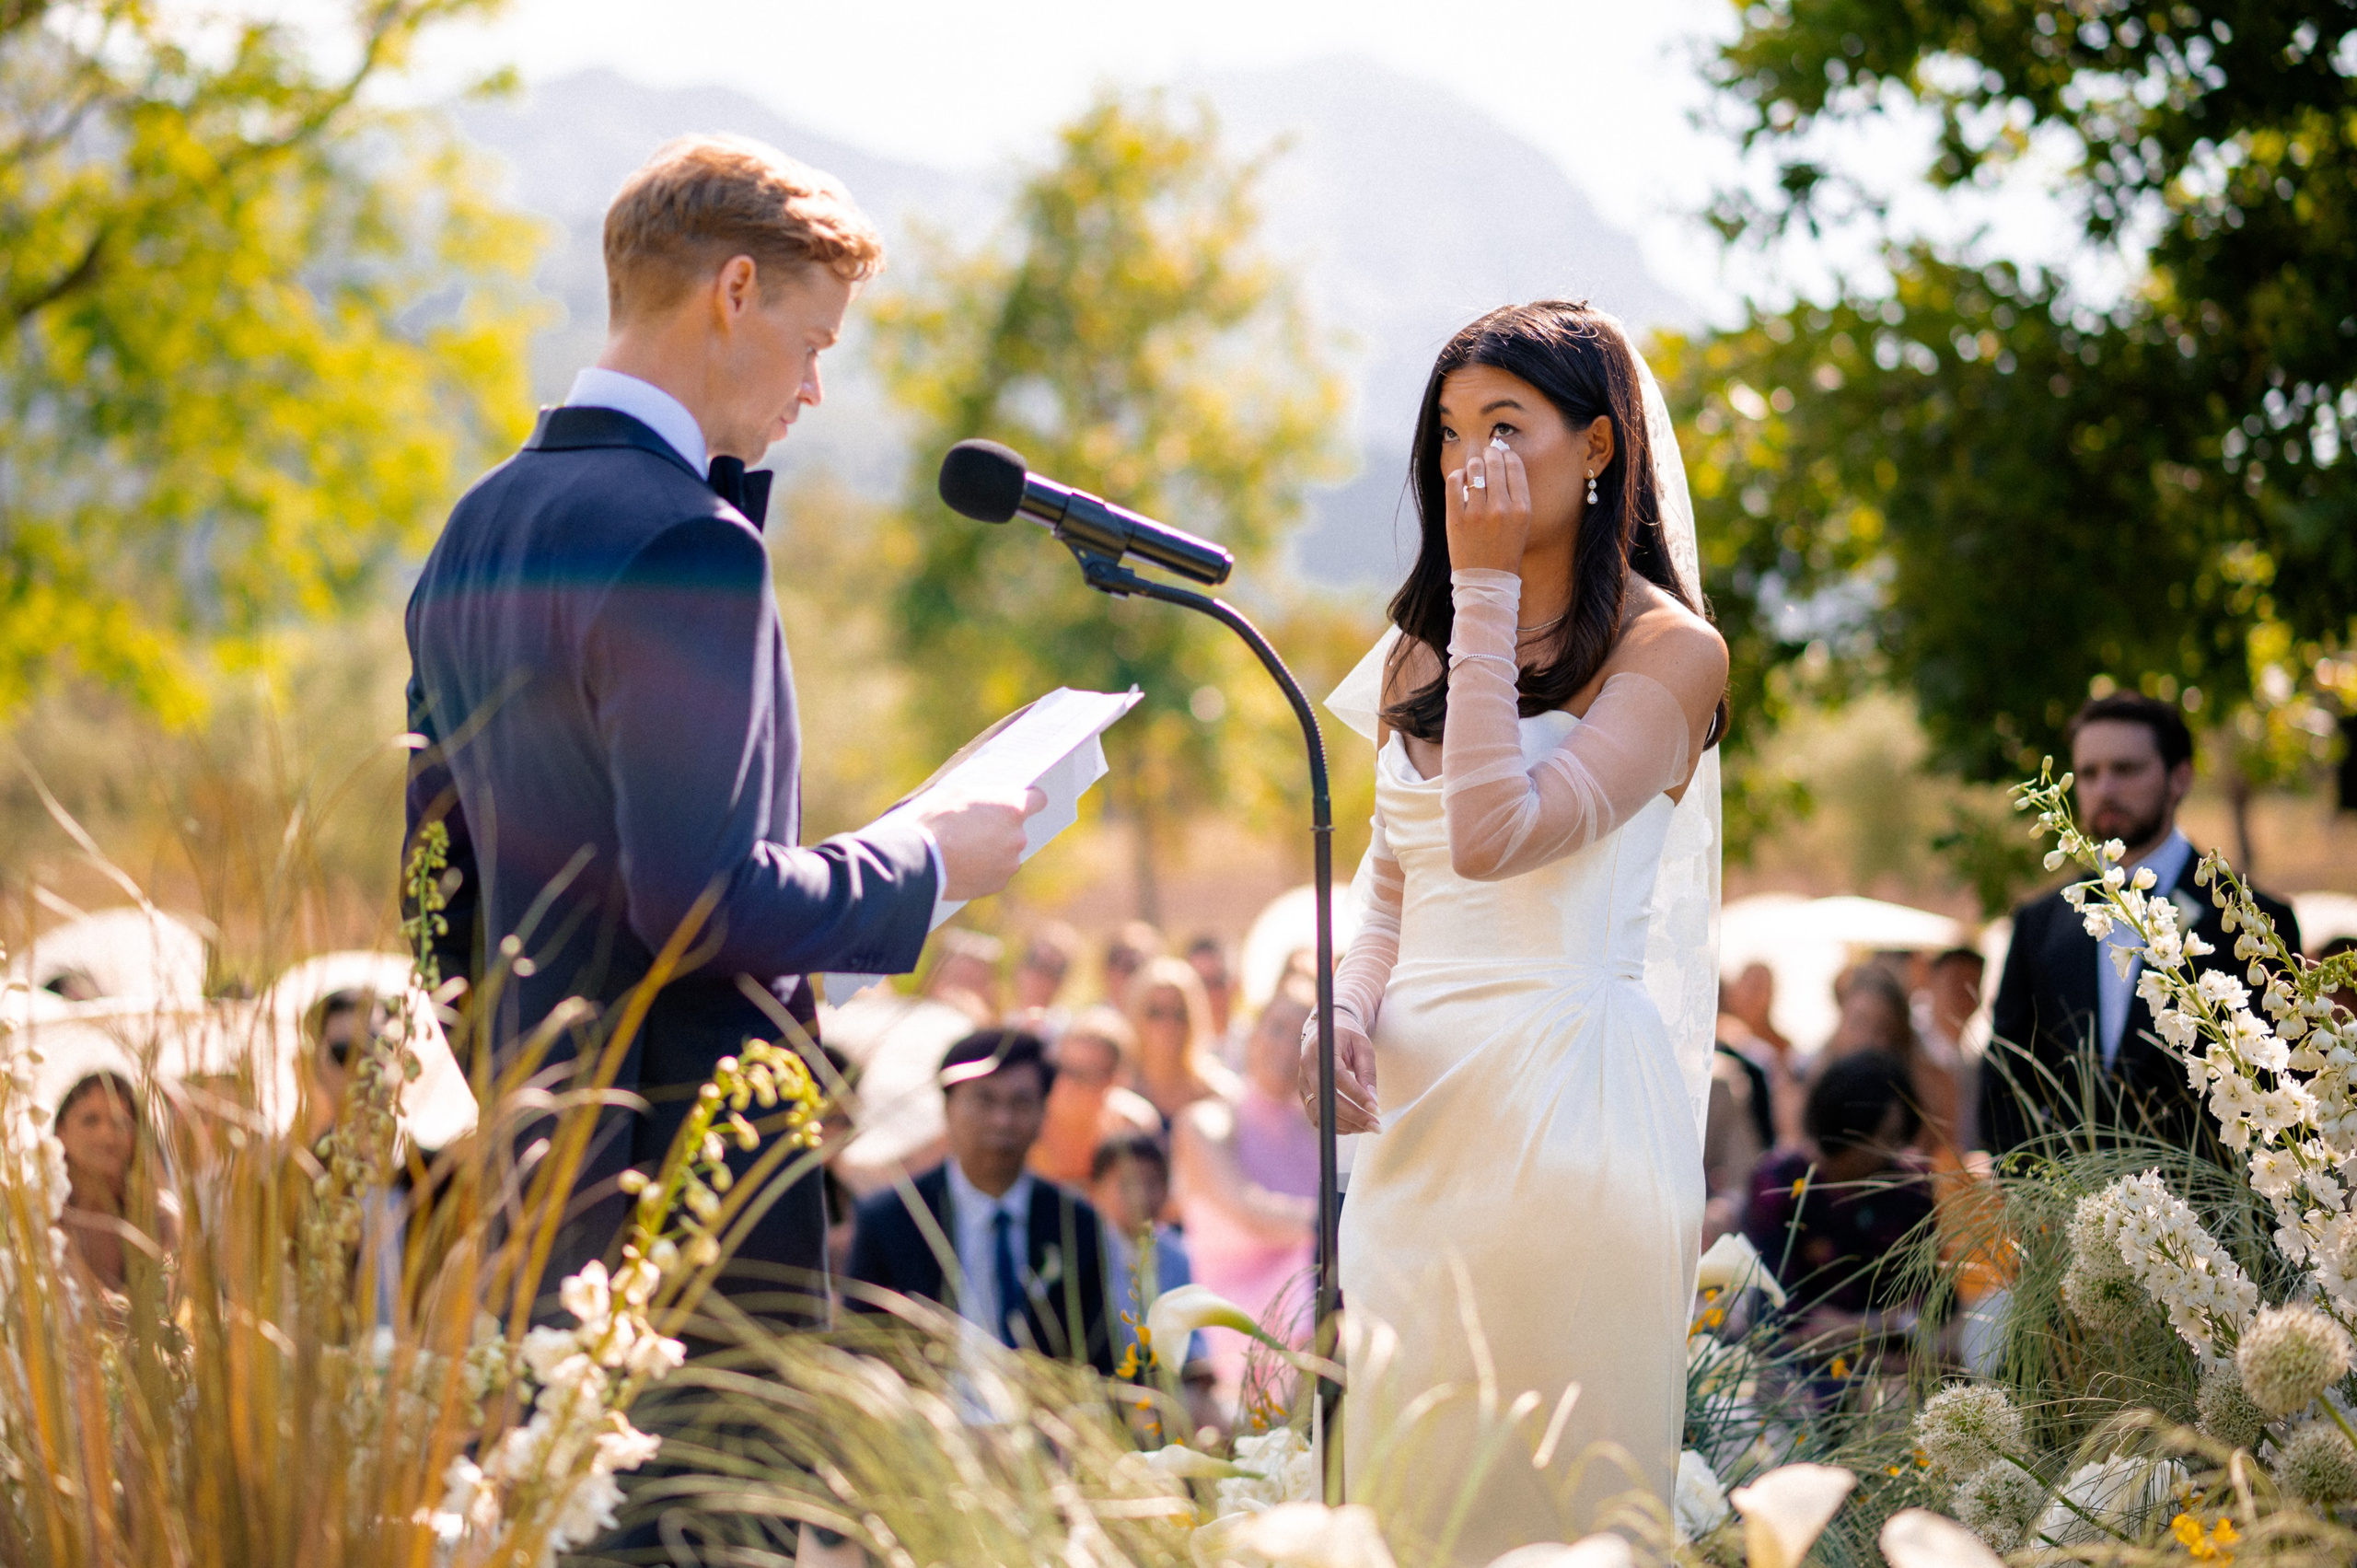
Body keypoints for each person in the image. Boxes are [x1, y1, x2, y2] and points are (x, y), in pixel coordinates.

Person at [401, 134, 1040, 1309]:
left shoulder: (473, 530)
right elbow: (701, 904)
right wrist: (926, 860)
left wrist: (537, 1102)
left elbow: (436, 905)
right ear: (733, 290)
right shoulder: (691, 539)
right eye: (812, 343)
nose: (811, 389)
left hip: (543, 1197)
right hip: (696, 1199)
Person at [1305, 301, 1727, 1556]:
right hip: (1414, 1132)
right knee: (1401, 1477)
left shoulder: (1671, 653)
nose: (1465, 463)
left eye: (1504, 425)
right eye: (1446, 432)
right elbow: (1399, 883)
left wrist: (1482, 584)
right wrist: (1340, 1003)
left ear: (1598, 448)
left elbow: (1493, 831)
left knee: (1550, 1495)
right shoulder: (1412, 656)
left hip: (1568, 1112)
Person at [1979, 692, 2301, 1157]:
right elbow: (2004, 1084)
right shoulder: (2039, 925)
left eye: (2126, 769)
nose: (2104, 788)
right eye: (2088, 773)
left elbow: (2280, 1084)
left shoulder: (2252, 921)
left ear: (2180, 778)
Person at [844, 1029, 1115, 1371]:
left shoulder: (1075, 1224)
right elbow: (859, 1351)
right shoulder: (891, 1220)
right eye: (984, 1100)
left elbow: (1100, 1358)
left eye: (1020, 1103)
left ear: (1043, 1113)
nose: (1002, 1120)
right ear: (948, 1107)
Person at [1174, 976, 1318, 1406]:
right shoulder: (1208, 1122)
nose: (1286, 1045)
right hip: (1232, 1313)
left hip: (1308, 1296)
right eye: (1277, 1028)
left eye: (1303, 1035)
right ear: (1252, 1034)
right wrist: (1340, 1221)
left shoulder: (1319, 1134)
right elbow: (1246, 1209)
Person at [1742, 1053, 1937, 1372]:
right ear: (1847, 1130)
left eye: (1898, 1139)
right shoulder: (1779, 1184)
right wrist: (1884, 1324)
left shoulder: (1908, 1189)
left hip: (1889, 1367)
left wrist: (1856, 1327)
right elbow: (1778, 1317)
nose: (1892, 1152)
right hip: (1796, 1370)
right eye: (1885, 1138)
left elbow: (1929, 1306)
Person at [1820, 961, 1959, 1154]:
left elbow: (1942, 1158)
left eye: (1881, 1028)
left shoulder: (1931, 1086)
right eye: (1859, 1022)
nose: (1868, 1039)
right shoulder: (1812, 1080)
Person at [54, 1071, 171, 1297]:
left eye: (121, 1123)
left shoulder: (159, 1216)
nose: (107, 1135)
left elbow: (169, 1303)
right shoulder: (43, 1216)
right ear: (61, 1132)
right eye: (91, 1120)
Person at [1029, 1005, 1160, 1187]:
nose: (1067, 1083)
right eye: (1063, 1068)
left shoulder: (1131, 1128)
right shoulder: (1030, 1121)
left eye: (1085, 1075)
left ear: (1116, 1080)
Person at [1126, 955, 1238, 1121]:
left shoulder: (1219, 1095)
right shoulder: (1121, 1088)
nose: (1168, 1025)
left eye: (1180, 1014)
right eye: (1156, 1013)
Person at [1918, 947, 1986, 1153]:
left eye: (1973, 985)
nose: (1964, 993)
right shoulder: (1913, 1054)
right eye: (1956, 983)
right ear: (1931, 983)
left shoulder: (1975, 1065)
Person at [1011, 921, 1081, 1033]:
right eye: (1033, 961)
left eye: (1052, 970)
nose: (1039, 975)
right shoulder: (1008, 1022)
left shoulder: (1068, 1031)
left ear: (1062, 981)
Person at [1100, 921, 1164, 1015]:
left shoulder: (1170, 1022)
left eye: (1136, 965)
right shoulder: (1089, 1024)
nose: (1123, 973)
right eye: (1117, 960)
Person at [1185, 934, 1237, 1042]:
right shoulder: (1178, 1047)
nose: (1208, 994)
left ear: (1233, 984)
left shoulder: (1254, 1043)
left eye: (1217, 982)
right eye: (1201, 983)